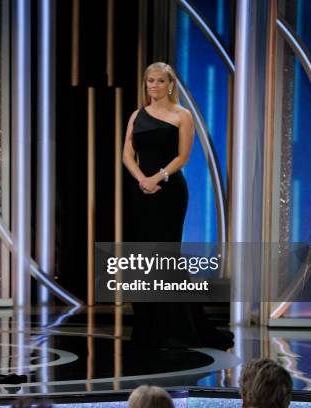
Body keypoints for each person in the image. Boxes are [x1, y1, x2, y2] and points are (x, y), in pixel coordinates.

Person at [122, 62, 233, 349]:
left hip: (170, 192)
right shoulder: (137, 115)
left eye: (159, 81)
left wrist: (158, 177)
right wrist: (142, 180)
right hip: (141, 192)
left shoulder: (182, 115)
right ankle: (149, 325)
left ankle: (178, 327)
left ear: (170, 84)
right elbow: (126, 155)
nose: (154, 86)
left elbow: (183, 156)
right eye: (150, 81)